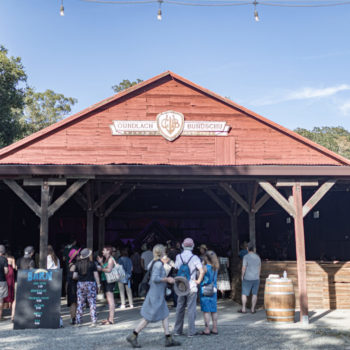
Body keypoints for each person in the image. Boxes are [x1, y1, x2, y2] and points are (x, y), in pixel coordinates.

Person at [126, 244, 180, 348]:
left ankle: (168, 338)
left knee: (165, 314)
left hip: (157, 293)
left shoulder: (155, 262)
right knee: (148, 317)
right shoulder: (158, 264)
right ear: (162, 252)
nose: (166, 252)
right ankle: (133, 335)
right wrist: (167, 279)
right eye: (165, 250)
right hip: (156, 294)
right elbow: (155, 278)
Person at [173, 238, 204, 337]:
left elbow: (176, 268)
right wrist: (198, 280)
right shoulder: (195, 258)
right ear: (192, 246)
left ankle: (178, 331)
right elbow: (202, 270)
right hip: (192, 286)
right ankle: (191, 332)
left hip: (182, 286)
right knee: (191, 309)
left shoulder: (178, 256)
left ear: (182, 245)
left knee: (180, 308)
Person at [74, 248, 101, 326]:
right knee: (92, 302)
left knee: (80, 303)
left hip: (80, 284)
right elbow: (96, 275)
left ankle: (78, 321)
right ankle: (94, 321)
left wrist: (80, 277)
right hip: (90, 284)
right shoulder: (92, 264)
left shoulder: (77, 264)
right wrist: (99, 285)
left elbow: (74, 276)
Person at [199, 250, 219, 335]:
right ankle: (215, 328)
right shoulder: (216, 267)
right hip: (213, 289)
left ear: (206, 258)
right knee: (214, 310)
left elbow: (200, 278)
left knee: (206, 311)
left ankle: (207, 329)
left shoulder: (204, 267)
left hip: (205, 290)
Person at [239, 242, 261, 314]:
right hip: (256, 278)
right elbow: (259, 268)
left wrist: (242, 276)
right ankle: (252, 309)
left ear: (247, 248)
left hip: (247, 278)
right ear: (253, 249)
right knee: (255, 294)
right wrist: (258, 276)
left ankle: (244, 309)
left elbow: (244, 268)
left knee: (244, 293)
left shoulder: (246, 257)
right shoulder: (258, 257)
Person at [97, 246, 117, 324]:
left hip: (109, 281)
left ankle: (111, 319)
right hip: (106, 280)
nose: (102, 251)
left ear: (108, 251)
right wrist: (101, 263)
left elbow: (109, 270)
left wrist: (100, 269)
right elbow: (105, 268)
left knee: (110, 300)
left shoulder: (111, 259)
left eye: (104, 250)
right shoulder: (107, 259)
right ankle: (109, 318)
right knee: (109, 300)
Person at [67, 248, 80, 325]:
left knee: (75, 302)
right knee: (74, 303)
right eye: (78, 255)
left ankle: (74, 318)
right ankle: (73, 318)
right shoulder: (74, 265)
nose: (79, 256)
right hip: (73, 286)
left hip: (72, 285)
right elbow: (73, 277)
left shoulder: (72, 265)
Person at [3, 251, 16, 320]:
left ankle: (5, 307)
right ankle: (10, 305)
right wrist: (16, 267)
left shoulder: (4, 258)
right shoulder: (12, 258)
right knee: (10, 288)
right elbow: (14, 267)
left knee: (6, 288)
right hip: (10, 273)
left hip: (5, 273)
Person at [0, 245, 9, 321]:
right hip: (2, 280)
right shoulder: (4, 259)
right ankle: (0, 316)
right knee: (1, 299)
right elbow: (6, 271)